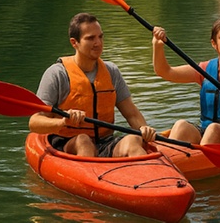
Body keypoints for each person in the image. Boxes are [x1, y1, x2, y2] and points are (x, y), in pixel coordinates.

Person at [29, 13, 156, 157]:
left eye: (100, 37)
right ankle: (87, 177)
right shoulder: (57, 74)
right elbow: (34, 122)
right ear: (74, 42)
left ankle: (155, 177)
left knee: (133, 140)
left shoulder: (111, 71)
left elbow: (132, 114)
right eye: (90, 38)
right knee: (83, 140)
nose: (98, 43)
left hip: (105, 142)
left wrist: (144, 129)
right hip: (67, 143)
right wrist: (63, 121)